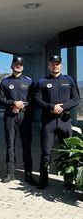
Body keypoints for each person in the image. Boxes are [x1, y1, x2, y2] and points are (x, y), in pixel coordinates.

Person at [35, 54, 79, 189]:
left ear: (61, 65)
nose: (55, 65)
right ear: (48, 65)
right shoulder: (42, 81)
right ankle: (43, 180)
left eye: (57, 63)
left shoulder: (69, 80)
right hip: (48, 122)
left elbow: (76, 99)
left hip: (65, 121)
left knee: (67, 151)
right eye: (53, 63)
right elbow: (37, 100)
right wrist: (51, 107)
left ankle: (68, 181)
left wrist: (61, 107)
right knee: (46, 152)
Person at [0, 56, 36, 185]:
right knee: (10, 145)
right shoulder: (5, 82)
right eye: (16, 64)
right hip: (10, 117)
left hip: (24, 117)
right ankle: (10, 173)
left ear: (23, 66)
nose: (18, 66)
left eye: (20, 64)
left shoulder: (29, 82)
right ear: (12, 65)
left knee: (27, 145)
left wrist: (23, 105)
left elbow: (33, 100)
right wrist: (13, 103)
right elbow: (0, 99)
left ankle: (28, 174)